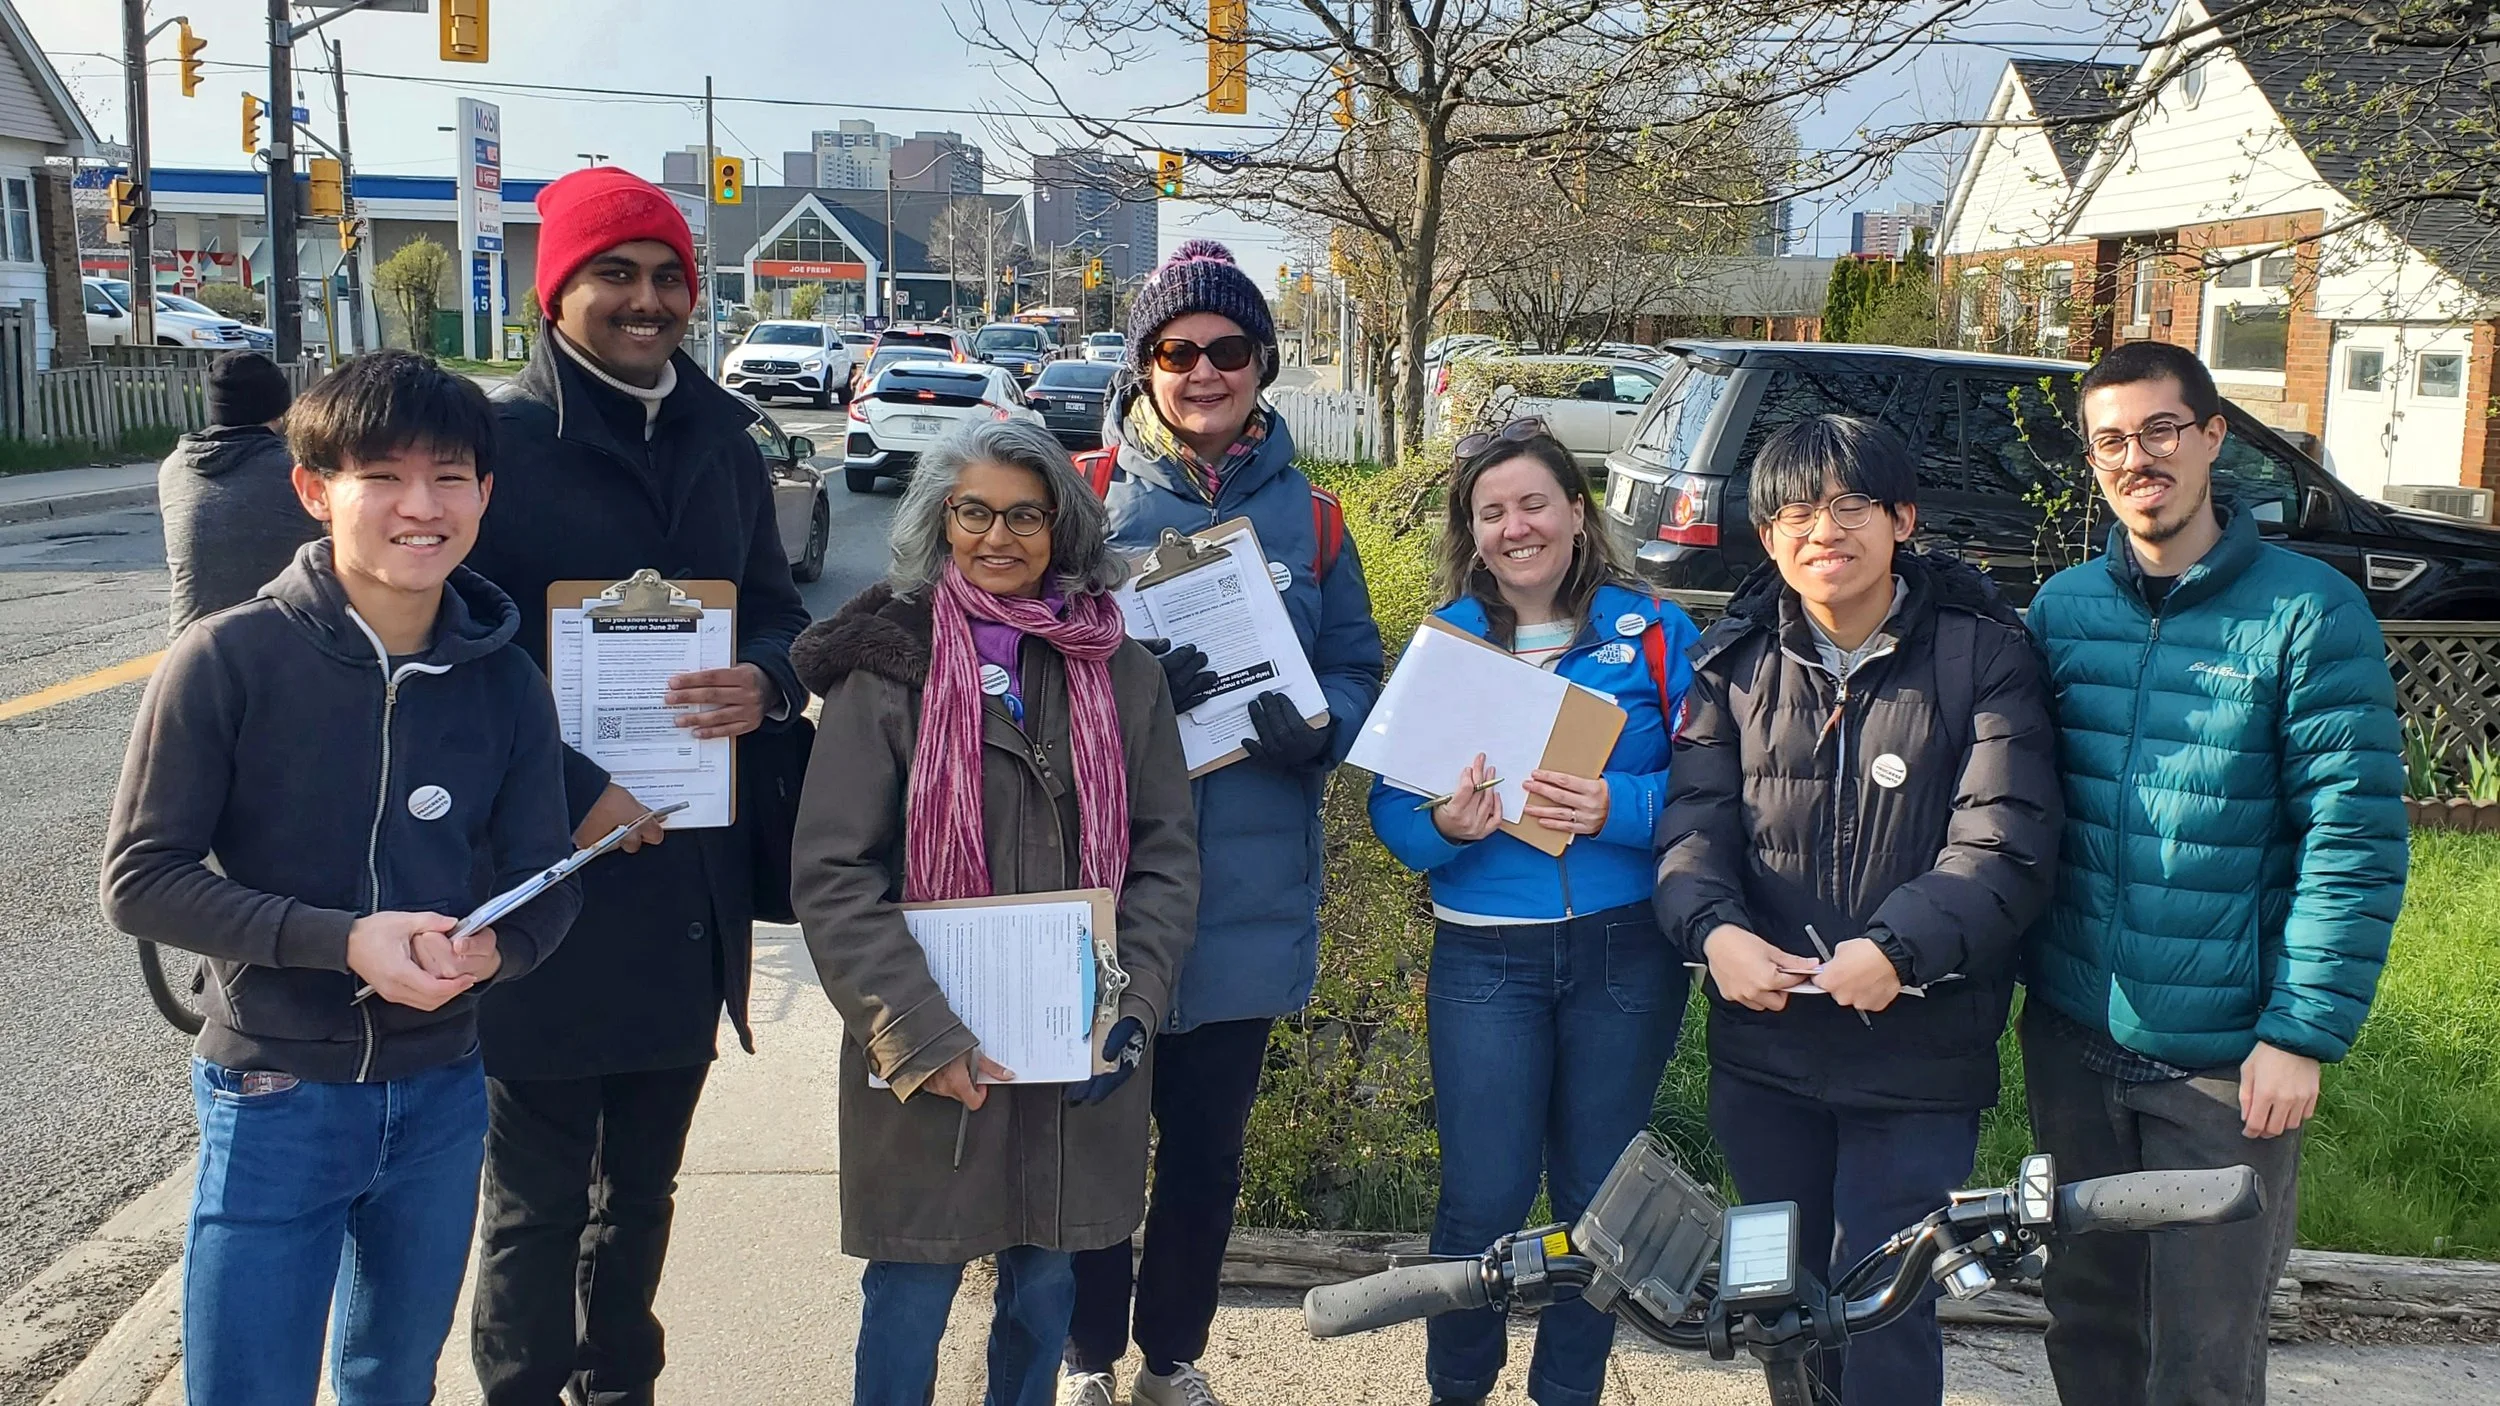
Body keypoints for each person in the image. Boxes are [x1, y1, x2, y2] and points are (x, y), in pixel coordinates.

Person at [99, 350, 581, 1406]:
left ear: (484, 492)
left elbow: (548, 879)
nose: (422, 505)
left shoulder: (504, 676)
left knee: (390, 1375)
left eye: (450, 475)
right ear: (316, 490)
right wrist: (342, 938)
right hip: (276, 1088)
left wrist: (498, 947)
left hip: (445, 1087)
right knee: (248, 1385)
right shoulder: (228, 658)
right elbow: (141, 878)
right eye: (383, 475)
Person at [461, 167, 812, 1406]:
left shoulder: (723, 440)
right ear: (558, 290)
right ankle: (519, 1388)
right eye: (615, 272)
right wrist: (570, 783)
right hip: (545, 879)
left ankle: (620, 1383)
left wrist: (766, 682)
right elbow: (458, 656)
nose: (646, 299)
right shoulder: (492, 450)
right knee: (538, 1193)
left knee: (646, 1185)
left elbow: (775, 610)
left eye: (667, 276)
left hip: (687, 876)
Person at [2021, 341, 2407, 1406]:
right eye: (2110, 440)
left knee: (2201, 1356)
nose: (2135, 457)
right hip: (2071, 1036)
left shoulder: (2306, 611)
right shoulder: (2062, 611)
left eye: (2158, 431)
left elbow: (2354, 833)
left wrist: (2299, 1031)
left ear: (2209, 439)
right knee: (2086, 1326)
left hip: (2223, 1064)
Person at [789, 419, 1199, 1406]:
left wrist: (1131, 1005)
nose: (999, 535)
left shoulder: (1121, 674)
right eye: (975, 511)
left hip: (1072, 1053)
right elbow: (833, 871)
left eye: (1027, 513)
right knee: (909, 1290)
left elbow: (1165, 859)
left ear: (1063, 527)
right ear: (942, 519)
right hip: (929, 1046)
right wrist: (920, 1034)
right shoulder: (887, 666)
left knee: (1045, 1286)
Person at [1654, 414, 2061, 1406]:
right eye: (1794, 509)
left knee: (1883, 1299)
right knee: (1782, 1302)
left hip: (1917, 1050)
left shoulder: (1984, 656)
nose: (1820, 529)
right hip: (1766, 1049)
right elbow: (1691, 832)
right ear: (1765, 532)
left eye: (1849, 505)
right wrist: (1713, 932)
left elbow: (2003, 844)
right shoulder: (1733, 664)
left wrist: (1895, 948)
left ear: (1901, 519)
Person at [1063, 239, 1384, 1406]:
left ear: (1262, 363)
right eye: (1176, 349)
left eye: (1227, 349)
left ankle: (1172, 1356)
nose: (1203, 370)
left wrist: (1326, 723)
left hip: (1248, 885)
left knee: (1205, 1153)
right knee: (1094, 1134)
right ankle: (1087, 1354)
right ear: (1146, 365)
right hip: (1112, 880)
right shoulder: (1083, 498)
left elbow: (1358, 668)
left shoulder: (1320, 521)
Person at [1365, 420, 1698, 1406]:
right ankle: (1457, 1387)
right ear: (1472, 532)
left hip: (1623, 953)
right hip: (1486, 962)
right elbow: (1392, 814)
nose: (1516, 527)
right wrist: (1448, 825)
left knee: (1600, 1202)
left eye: (1533, 503)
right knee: (1483, 1196)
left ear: (1576, 512)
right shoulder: (1448, 644)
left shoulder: (1654, 633)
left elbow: (1712, 789)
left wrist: (1619, 807)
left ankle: (1568, 1390)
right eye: (1491, 511)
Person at [159, 350, 322, 635]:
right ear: (281, 410)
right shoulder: (295, 469)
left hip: (189, 647)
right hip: (279, 643)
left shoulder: (174, 467)